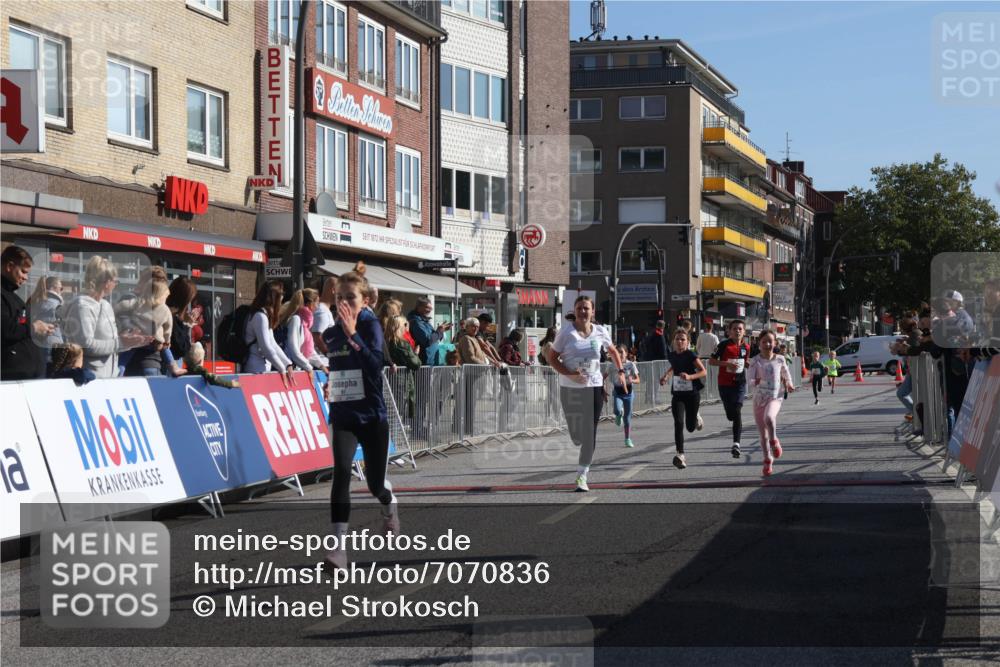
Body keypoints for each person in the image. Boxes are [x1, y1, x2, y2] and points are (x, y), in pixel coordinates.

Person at [321, 262, 398, 569]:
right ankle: (338, 550)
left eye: (350, 298)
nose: (343, 304)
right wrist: (332, 384)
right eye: (339, 297)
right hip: (344, 413)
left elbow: (374, 364)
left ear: (365, 301)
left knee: (374, 484)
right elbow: (341, 370)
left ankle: (389, 504)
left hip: (372, 415)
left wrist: (354, 333)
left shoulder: (370, 326)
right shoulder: (330, 335)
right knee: (341, 471)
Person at [545, 295, 627, 492]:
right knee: (577, 435)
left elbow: (613, 352)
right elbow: (552, 358)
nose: (583, 311)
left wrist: (621, 371)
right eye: (580, 308)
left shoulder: (600, 331)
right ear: (575, 310)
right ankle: (577, 438)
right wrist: (570, 374)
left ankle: (582, 475)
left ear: (593, 312)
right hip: (570, 388)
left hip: (594, 386)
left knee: (590, 432)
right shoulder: (566, 333)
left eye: (586, 308)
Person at [63, 256, 149, 378]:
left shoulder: (106, 305)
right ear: (107, 282)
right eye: (115, 281)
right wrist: (121, 342)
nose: (115, 284)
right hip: (89, 379)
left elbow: (112, 343)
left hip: (110, 378)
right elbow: (86, 345)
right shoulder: (82, 306)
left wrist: (131, 341)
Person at [748, 330, 794, 476]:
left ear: (775, 343)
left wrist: (790, 383)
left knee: (769, 418)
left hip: (775, 397)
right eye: (764, 342)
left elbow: (786, 373)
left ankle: (774, 441)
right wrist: (757, 381)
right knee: (762, 435)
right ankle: (767, 459)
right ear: (759, 344)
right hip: (759, 400)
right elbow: (749, 380)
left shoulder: (780, 359)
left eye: (770, 341)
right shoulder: (755, 361)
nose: (767, 344)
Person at [2, 246, 52, 380]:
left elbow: (21, 325)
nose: (25, 278)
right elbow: (6, 330)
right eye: (23, 272)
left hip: (27, 377)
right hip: (11, 378)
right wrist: (33, 327)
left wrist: (40, 329)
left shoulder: (14, 297)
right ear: (9, 266)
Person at [659, 328, 707, 469]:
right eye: (677, 339)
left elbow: (703, 371)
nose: (679, 341)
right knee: (678, 423)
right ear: (673, 341)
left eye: (682, 339)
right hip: (678, 394)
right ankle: (680, 454)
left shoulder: (691, 355)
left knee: (690, 428)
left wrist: (690, 377)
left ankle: (696, 416)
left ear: (687, 342)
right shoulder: (672, 355)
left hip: (692, 394)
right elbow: (674, 367)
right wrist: (666, 376)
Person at [708, 319, 751, 459]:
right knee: (730, 415)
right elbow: (711, 361)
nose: (737, 331)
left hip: (740, 383)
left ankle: (736, 444)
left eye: (740, 329)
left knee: (737, 411)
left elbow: (746, 362)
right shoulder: (723, 345)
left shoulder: (747, 347)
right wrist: (726, 363)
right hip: (724, 384)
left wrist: (750, 365)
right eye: (735, 329)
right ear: (729, 331)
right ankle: (731, 417)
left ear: (744, 332)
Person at [244, 280, 296, 386]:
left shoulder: (263, 315)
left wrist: (287, 364)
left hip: (261, 368)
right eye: (281, 294)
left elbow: (273, 344)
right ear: (273, 296)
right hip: (255, 369)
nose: (282, 298)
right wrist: (282, 369)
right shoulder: (260, 317)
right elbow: (266, 348)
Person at [280, 288, 326, 372]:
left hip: (297, 369)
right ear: (310, 304)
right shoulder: (296, 320)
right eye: (317, 302)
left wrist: (322, 366)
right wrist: (309, 368)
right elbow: (294, 349)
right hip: (289, 370)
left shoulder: (305, 323)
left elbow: (309, 350)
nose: (318, 306)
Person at [386, 315, 421, 419]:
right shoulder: (400, 343)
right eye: (405, 324)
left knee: (392, 412)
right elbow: (415, 364)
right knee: (398, 412)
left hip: (390, 380)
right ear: (399, 326)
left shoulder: (385, 340)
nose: (407, 326)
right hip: (401, 381)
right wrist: (415, 354)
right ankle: (395, 435)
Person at [29, 275, 65, 376]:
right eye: (61, 288)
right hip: (55, 347)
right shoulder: (57, 305)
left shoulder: (36, 301)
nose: (62, 291)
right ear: (54, 288)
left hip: (37, 344)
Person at [612, 344, 640, 448]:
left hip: (628, 393)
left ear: (626, 354)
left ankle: (627, 439)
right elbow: (605, 375)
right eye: (617, 352)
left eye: (621, 352)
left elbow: (638, 379)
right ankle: (619, 414)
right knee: (616, 410)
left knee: (627, 419)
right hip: (618, 392)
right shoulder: (613, 364)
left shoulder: (631, 364)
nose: (619, 354)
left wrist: (632, 380)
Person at [167, 277, 198, 370]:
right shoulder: (171, 317)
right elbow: (182, 348)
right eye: (190, 299)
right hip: (170, 366)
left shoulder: (169, 313)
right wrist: (187, 325)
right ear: (184, 299)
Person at [408, 297, 450, 366]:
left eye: (431, 308)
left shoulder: (424, 320)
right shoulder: (416, 322)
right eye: (427, 307)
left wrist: (441, 331)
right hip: (425, 361)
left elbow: (434, 337)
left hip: (431, 360)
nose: (430, 310)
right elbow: (428, 340)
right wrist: (439, 331)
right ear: (419, 307)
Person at [312, 275, 338, 354]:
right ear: (333, 290)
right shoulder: (322, 311)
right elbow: (317, 337)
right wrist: (330, 354)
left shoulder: (323, 310)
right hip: (322, 362)